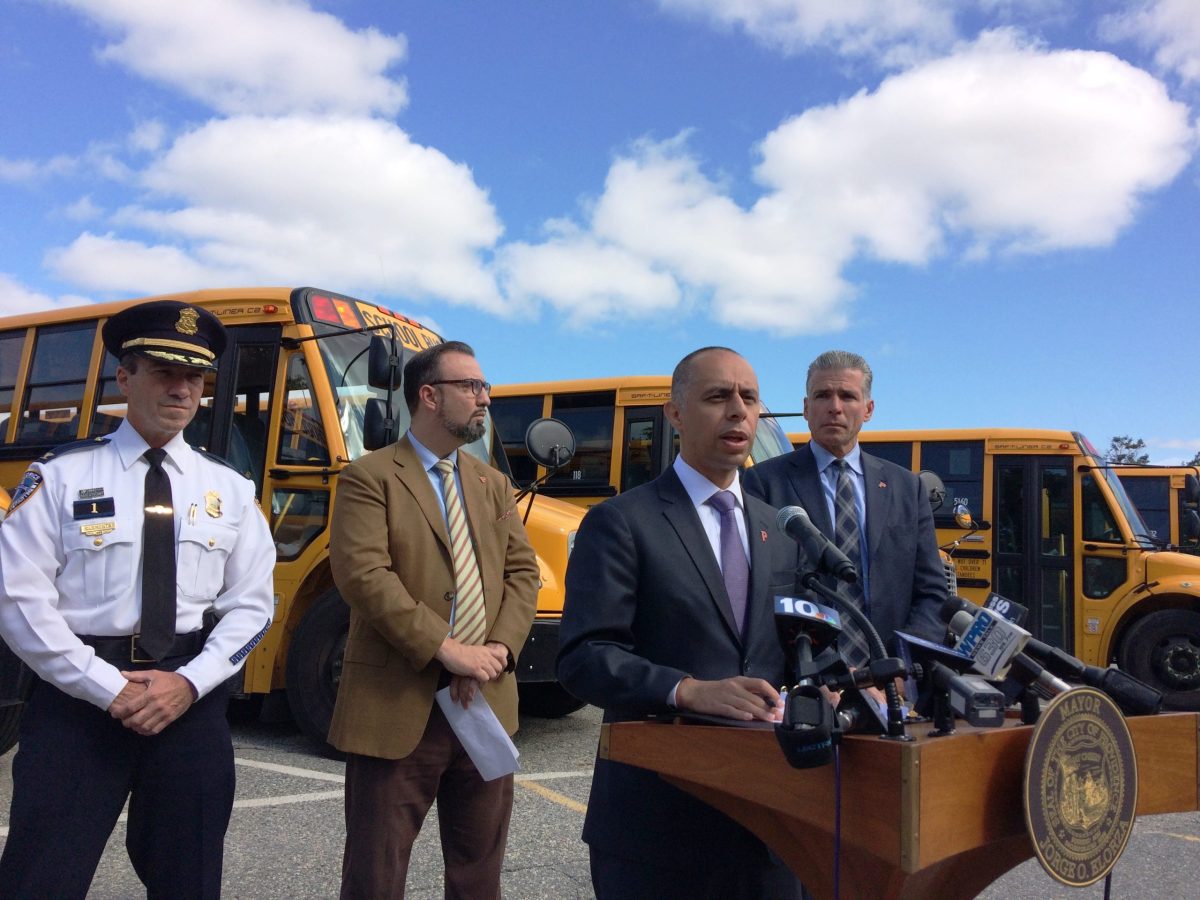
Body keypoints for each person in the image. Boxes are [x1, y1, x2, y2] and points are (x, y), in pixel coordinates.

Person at [0, 300, 275, 899]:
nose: (181, 389)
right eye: (164, 371)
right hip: (78, 703)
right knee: (40, 875)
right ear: (124, 378)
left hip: (188, 702)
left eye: (194, 377)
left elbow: (252, 605)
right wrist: (107, 687)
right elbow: (19, 602)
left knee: (190, 878)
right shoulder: (60, 478)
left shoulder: (229, 488)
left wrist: (190, 683)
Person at [557, 347, 804, 899]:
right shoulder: (620, 522)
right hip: (657, 830)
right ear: (675, 414)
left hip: (771, 827)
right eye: (718, 396)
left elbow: (791, 648)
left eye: (749, 397)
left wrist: (827, 690)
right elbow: (584, 657)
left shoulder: (781, 528)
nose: (738, 411)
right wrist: (685, 690)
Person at [328, 340, 539, 899]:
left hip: (486, 704)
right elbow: (363, 576)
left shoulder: (492, 482)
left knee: (479, 874)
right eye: (471, 387)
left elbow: (523, 573)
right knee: (376, 873)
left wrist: (499, 650)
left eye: (484, 387)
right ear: (428, 396)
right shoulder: (368, 477)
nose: (485, 399)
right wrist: (447, 649)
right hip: (397, 703)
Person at [742, 349, 946, 662]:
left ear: (868, 409)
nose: (834, 407)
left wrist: (904, 669)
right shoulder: (763, 483)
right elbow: (755, 594)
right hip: (804, 682)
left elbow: (931, 593)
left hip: (891, 681)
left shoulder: (908, 488)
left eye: (847, 396)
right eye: (822, 395)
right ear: (806, 409)